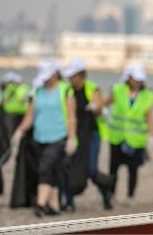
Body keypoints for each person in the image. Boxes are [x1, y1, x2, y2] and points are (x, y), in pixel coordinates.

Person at [11, 61, 77, 217]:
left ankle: (40, 204)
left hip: (59, 137)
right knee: (51, 172)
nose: (46, 79)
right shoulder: (38, 91)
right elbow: (30, 116)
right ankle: (53, 206)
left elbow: (72, 117)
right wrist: (19, 131)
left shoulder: (65, 90)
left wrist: (72, 138)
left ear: (55, 74)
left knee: (45, 168)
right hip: (40, 138)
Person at [62, 58, 114, 211]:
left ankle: (106, 192)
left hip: (92, 135)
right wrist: (71, 138)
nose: (71, 79)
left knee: (91, 170)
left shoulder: (92, 88)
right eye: (69, 76)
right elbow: (70, 115)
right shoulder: (68, 91)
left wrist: (95, 107)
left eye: (73, 76)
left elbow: (99, 107)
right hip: (74, 134)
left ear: (81, 75)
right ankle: (69, 202)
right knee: (69, 167)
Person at [104, 65, 153, 201]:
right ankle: (111, 194)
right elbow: (106, 103)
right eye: (134, 79)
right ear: (128, 78)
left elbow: (149, 116)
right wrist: (98, 108)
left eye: (139, 80)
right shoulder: (118, 90)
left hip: (136, 139)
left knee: (133, 169)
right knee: (113, 168)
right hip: (117, 136)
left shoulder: (147, 95)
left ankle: (130, 196)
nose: (137, 82)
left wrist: (151, 135)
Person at [3, 72, 29, 138]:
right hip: (14, 113)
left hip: (18, 113)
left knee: (17, 132)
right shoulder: (14, 88)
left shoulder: (21, 88)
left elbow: (21, 100)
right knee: (13, 132)